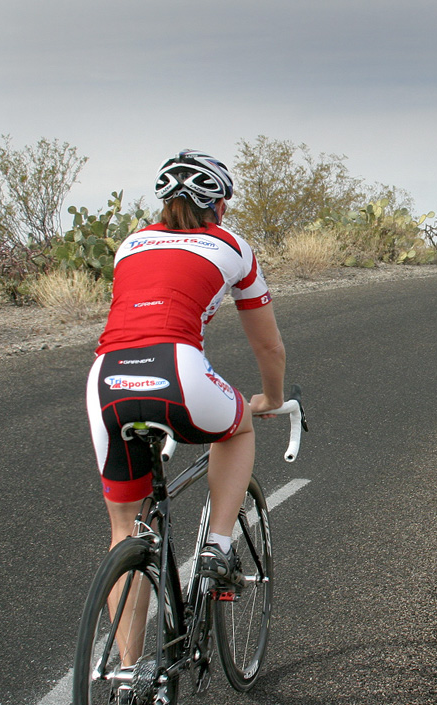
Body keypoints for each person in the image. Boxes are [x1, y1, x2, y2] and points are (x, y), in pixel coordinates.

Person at [86, 149, 286, 591]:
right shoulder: (232, 245)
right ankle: (217, 546)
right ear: (219, 205)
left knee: (127, 532)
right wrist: (271, 397)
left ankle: (127, 663)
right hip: (177, 369)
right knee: (238, 428)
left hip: (106, 377)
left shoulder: (129, 244)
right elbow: (268, 344)